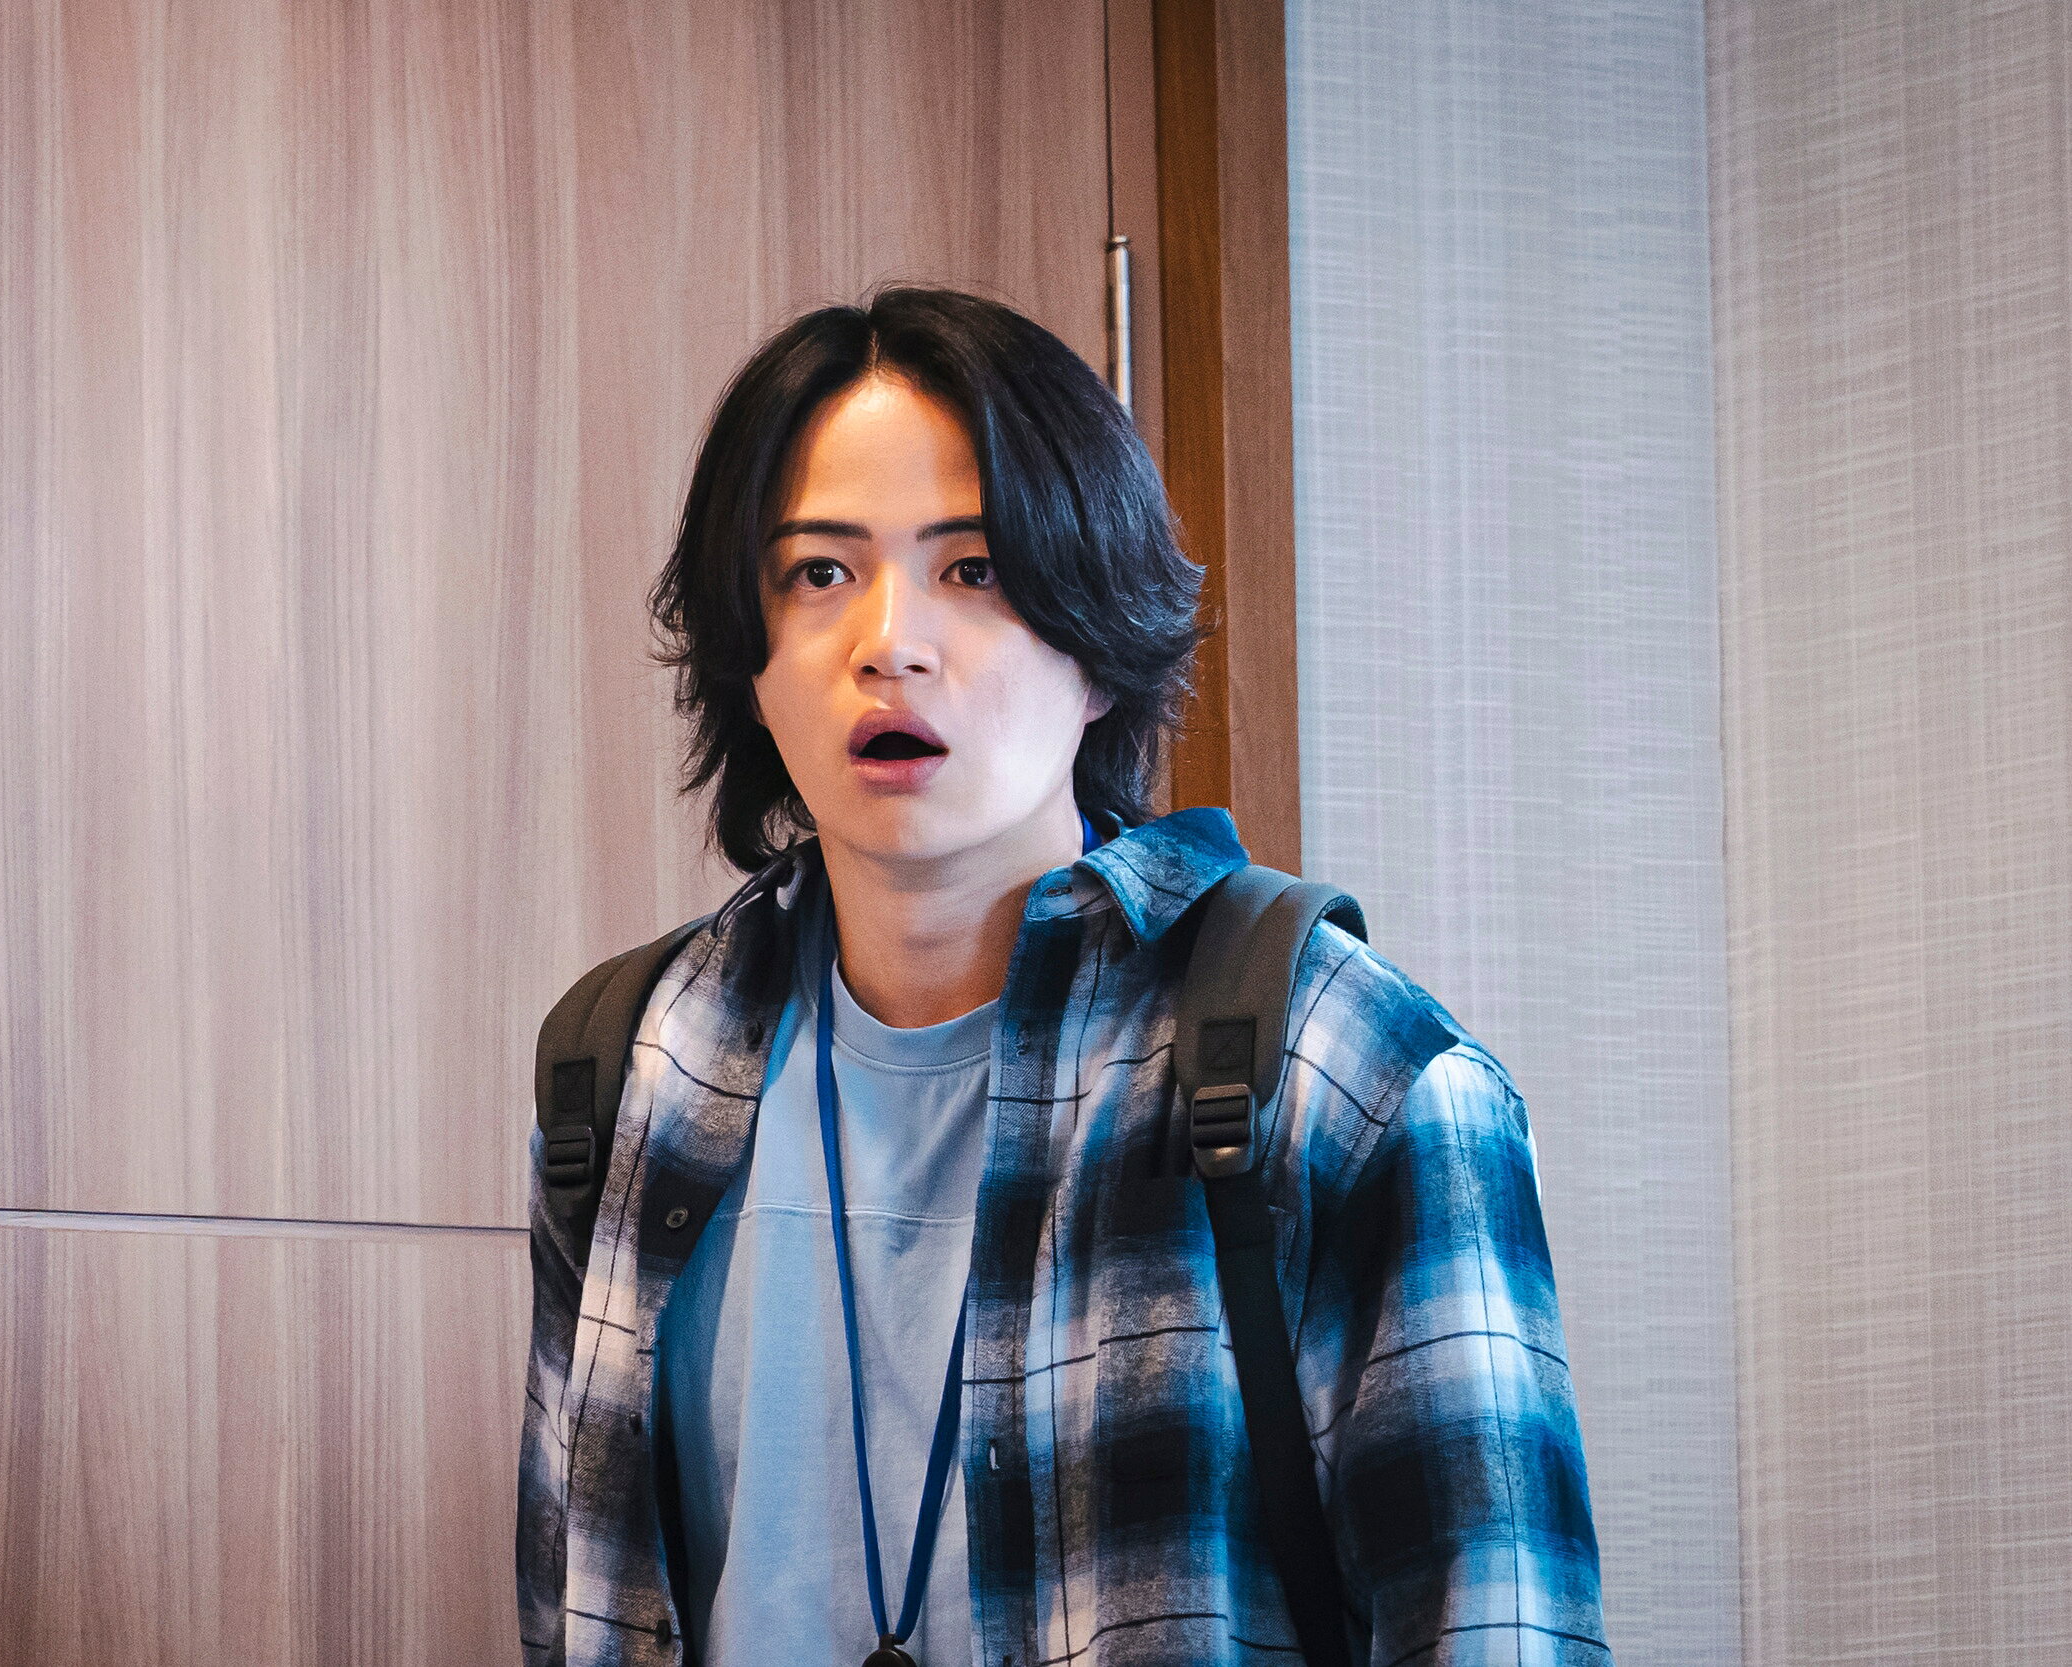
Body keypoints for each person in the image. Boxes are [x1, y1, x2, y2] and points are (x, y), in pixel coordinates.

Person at [517, 287, 1606, 1667]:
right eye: (819, 573)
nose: (889, 642)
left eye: (973, 569)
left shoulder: (1351, 1073)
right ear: (752, 659)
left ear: (1097, 642)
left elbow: (1499, 1627)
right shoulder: (629, 1072)